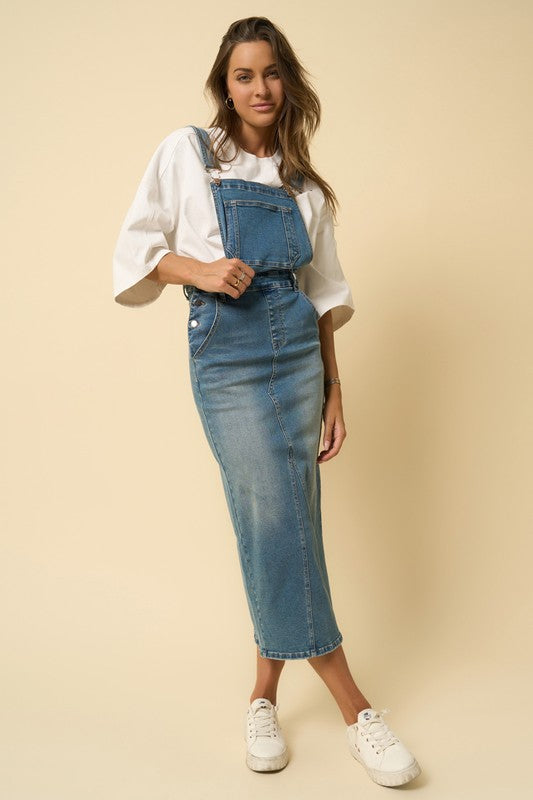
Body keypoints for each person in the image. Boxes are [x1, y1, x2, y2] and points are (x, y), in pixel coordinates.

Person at [112, 15, 421, 788]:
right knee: (275, 514)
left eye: (271, 73)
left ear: (288, 83)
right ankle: (354, 706)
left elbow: (323, 297)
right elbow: (134, 252)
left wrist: (335, 388)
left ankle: (261, 694)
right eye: (243, 75)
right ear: (224, 84)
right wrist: (200, 271)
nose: (258, 88)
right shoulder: (186, 154)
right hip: (229, 355)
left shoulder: (304, 187)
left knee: (281, 516)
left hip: (298, 358)